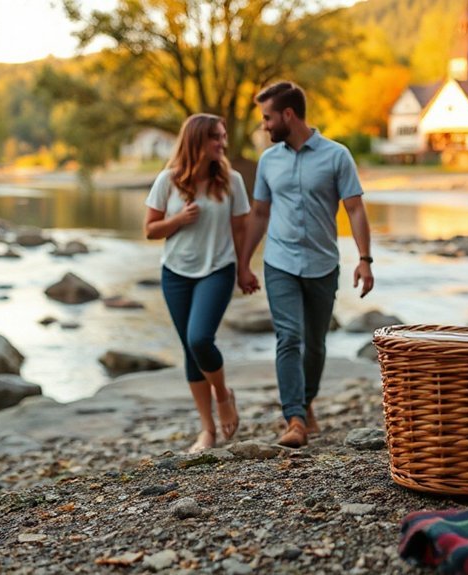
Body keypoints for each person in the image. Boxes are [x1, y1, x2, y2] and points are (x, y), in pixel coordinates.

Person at [238, 81, 374, 449]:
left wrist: (364, 259)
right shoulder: (268, 161)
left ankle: (307, 402)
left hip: (322, 264)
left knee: (315, 344)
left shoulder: (336, 156)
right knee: (289, 338)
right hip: (280, 262)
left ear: (288, 115)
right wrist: (243, 263)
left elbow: (355, 209)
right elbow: (260, 213)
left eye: (267, 118)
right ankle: (294, 418)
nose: (264, 125)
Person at [145, 113, 250, 453]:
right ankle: (207, 431)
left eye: (223, 136)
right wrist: (179, 219)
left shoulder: (232, 181)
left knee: (200, 338)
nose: (223, 143)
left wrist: (244, 268)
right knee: (191, 350)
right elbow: (150, 230)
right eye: (216, 137)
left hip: (217, 269)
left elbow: (240, 229)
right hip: (175, 273)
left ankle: (223, 395)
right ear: (196, 141)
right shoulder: (167, 180)